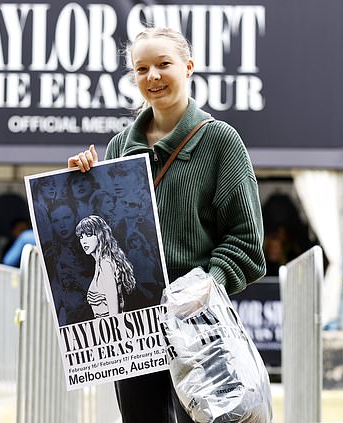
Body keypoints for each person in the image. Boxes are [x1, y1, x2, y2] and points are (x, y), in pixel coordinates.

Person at [68, 26, 266, 423]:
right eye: (142, 69)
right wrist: (82, 183)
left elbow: (246, 241)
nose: (152, 77)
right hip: (133, 326)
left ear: (188, 67)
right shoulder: (118, 147)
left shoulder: (221, 142)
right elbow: (104, 239)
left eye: (163, 64)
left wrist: (207, 285)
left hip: (198, 325)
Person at [76, 215, 136, 317]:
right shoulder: (100, 263)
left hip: (111, 329)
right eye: (81, 237)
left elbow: (114, 313)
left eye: (89, 235)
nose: (84, 241)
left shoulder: (105, 264)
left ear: (100, 235)